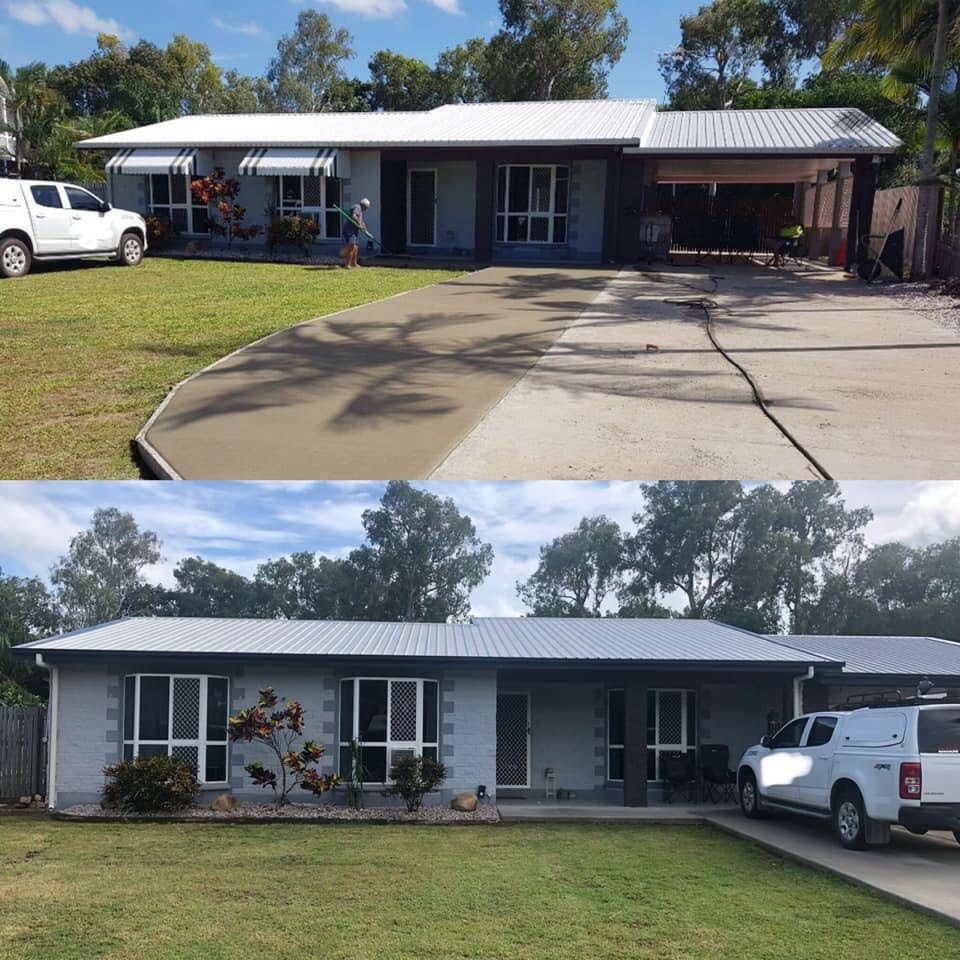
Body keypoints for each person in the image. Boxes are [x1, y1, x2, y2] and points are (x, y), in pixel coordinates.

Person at [342, 197, 371, 269]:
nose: (366, 209)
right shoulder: (357, 207)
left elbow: (361, 222)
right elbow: (354, 216)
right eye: (366, 208)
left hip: (354, 231)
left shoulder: (360, 210)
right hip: (349, 231)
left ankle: (354, 263)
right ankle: (347, 264)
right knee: (352, 246)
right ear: (363, 205)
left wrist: (366, 231)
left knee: (356, 247)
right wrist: (359, 223)